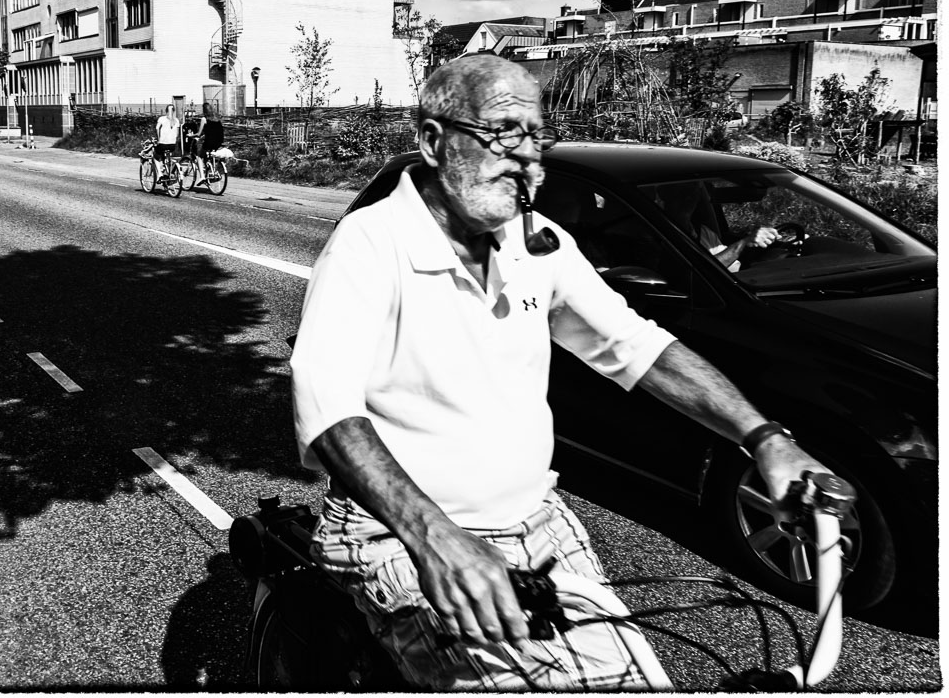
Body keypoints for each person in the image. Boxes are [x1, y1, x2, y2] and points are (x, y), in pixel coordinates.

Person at [289, 54, 835, 691]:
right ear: (433, 141)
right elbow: (327, 402)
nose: (524, 155)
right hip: (398, 532)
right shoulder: (371, 242)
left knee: (635, 684)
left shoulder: (538, 244)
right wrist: (433, 536)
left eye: (535, 134)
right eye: (502, 130)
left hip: (534, 522)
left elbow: (636, 347)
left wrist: (765, 437)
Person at [656, 182, 778, 272]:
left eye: (693, 193)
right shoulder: (653, 233)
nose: (688, 198)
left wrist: (769, 261)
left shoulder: (703, 232)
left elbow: (731, 265)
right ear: (665, 195)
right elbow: (703, 270)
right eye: (682, 193)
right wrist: (744, 243)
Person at [152, 104, 181, 183]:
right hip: (173, 144)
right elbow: (177, 134)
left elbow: (157, 128)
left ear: (166, 111)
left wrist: (158, 139)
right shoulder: (177, 120)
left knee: (155, 156)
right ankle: (168, 171)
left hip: (163, 143)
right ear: (174, 111)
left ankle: (160, 175)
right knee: (167, 157)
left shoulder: (162, 119)